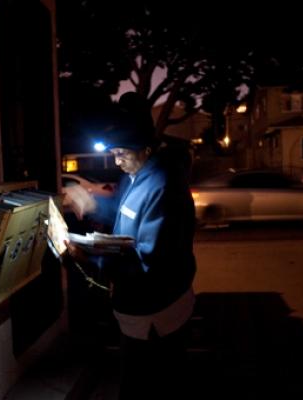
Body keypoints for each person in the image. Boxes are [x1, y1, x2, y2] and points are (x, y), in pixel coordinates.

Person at [63, 92, 197, 399]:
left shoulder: (163, 186)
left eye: (122, 153)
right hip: (139, 313)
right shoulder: (138, 176)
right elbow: (124, 211)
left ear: (144, 148)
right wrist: (90, 202)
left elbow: (148, 264)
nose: (116, 160)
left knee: (144, 386)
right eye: (113, 153)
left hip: (156, 315)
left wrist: (89, 258)